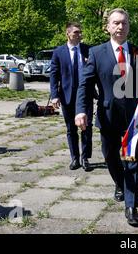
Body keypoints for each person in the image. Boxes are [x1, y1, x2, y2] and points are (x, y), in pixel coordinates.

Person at [75, 8, 138, 227]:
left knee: (133, 160)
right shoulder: (97, 53)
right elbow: (85, 84)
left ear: (129, 27)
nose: (120, 27)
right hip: (107, 117)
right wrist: (81, 110)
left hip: (133, 118)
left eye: (124, 23)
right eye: (115, 23)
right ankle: (119, 182)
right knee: (110, 157)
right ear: (107, 26)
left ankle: (131, 205)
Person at [50, 22, 93, 172]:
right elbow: (54, 75)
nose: (79, 35)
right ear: (67, 34)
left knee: (86, 127)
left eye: (80, 32)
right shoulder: (59, 52)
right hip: (67, 95)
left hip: (85, 94)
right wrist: (55, 95)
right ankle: (75, 157)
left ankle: (85, 157)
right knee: (71, 128)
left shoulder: (88, 50)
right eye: (76, 32)